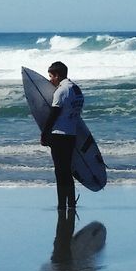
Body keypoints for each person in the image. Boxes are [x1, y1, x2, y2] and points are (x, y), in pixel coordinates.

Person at [40, 60, 83, 210]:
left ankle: (61, 205)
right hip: (71, 135)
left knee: (60, 172)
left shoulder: (61, 91)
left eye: (51, 76)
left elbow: (54, 114)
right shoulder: (76, 90)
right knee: (67, 171)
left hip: (59, 136)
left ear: (57, 76)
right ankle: (71, 203)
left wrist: (44, 134)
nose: (50, 80)